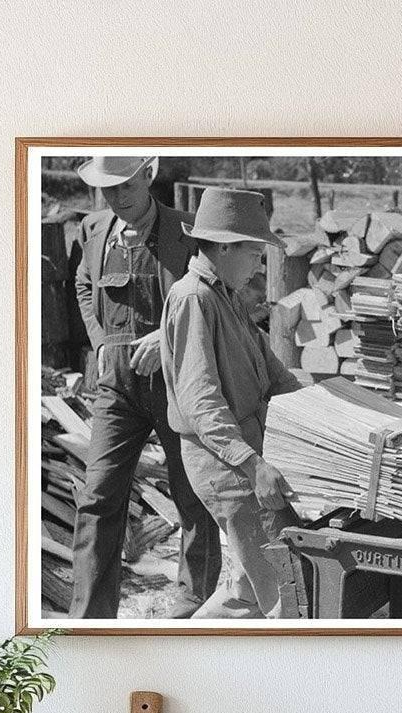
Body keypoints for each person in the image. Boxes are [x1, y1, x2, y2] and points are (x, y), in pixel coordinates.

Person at [69, 155, 222, 620]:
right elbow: (82, 284)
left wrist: (166, 336)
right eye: (108, 189)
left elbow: (217, 293)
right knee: (98, 495)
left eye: (126, 185)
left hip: (178, 380)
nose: (118, 197)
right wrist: (99, 342)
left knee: (192, 492)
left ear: (148, 176)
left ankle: (192, 606)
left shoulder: (191, 229)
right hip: (116, 384)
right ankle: (90, 618)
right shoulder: (93, 230)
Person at [160, 187, 302, 619]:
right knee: (283, 593)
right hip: (224, 462)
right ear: (224, 247)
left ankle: (184, 656)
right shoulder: (193, 298)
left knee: (246, 593)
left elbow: (272, 371)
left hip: (243, 450)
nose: (260, 266)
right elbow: (200, 401)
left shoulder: (226, 296)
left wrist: (321, 413)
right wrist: (251, 464)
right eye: (255, 254)